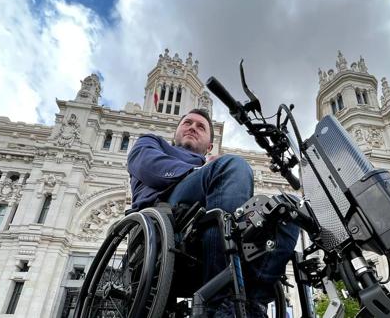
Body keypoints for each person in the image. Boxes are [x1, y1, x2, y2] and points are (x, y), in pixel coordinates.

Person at [127, 109, 299, 317]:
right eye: (187, 123)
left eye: (201, 127)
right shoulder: (152, 143)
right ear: (175, 133)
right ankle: (221, 301)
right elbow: (147, 165)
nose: (192, 127)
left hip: (204, 228)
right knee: (234, 165)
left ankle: (253, 303)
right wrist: (199, 170)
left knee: (287, 209)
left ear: (209, 146)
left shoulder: (212, 166)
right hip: (167, 214)